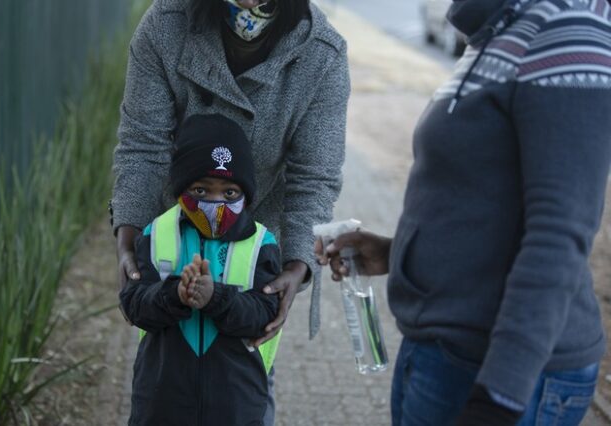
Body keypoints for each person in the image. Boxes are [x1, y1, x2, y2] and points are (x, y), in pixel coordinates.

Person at [317, 0, 611, 425]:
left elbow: (560, 232)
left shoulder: (566, 28)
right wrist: (396, 253)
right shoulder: (494, 33)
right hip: (442, 354)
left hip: (500, 372)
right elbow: (483, 198)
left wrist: (499, 398)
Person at [111, 0, 349, 345]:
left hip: (254, 259)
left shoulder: (322, 54)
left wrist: (296, 265)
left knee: (244, 386)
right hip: (175, 243)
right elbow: (143, 148)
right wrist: (129, 240)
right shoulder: (166, 25)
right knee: (166, 375)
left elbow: (314, 177)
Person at [120, 114, 283, 425]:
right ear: (182, 188)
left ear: (245, 195)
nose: (215, 203)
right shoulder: (155, 235)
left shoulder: (262, 242)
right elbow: (134, 304)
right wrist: (174, 294)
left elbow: (264, 314)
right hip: (161, 405)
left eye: (229, 193)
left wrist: (216, 298)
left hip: (236, 407)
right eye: (201, 190)